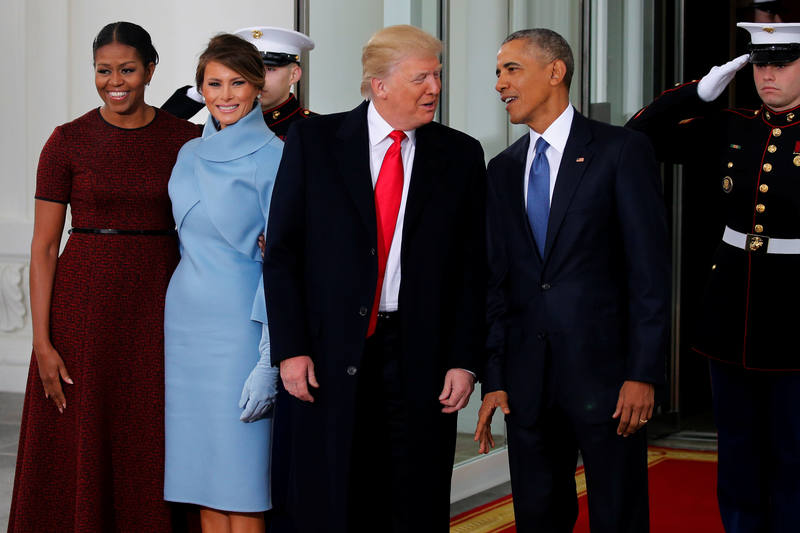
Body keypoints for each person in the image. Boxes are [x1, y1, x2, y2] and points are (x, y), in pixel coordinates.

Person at [263, 24, 486, 533]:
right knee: (334, 493)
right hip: (328, 351)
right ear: (379, 85)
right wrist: (291, 349)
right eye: (421, 77)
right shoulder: (314, 141)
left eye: (438, 75)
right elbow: (282, 254)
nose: (434, 88)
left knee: (414, 496)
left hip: (420, 355)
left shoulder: (460, 155)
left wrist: (464, 361)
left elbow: (473, 271)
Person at [7, 21, 200, 533]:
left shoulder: (188, 140)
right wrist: (42, 343)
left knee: (150, 432)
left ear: (151, 70)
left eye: (128, 69)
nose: (115, 81)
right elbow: (45, 247)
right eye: (104, 70)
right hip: (82, 312)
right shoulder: (66, 141)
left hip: (160, 304)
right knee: (79, 432)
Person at [474, 28, 670, 533]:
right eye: (498, 72)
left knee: (618, 514)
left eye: (511, 69)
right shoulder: (501, 169)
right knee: (537, 517)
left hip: (609, 384)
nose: (499, 84)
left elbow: (648, 274)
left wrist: (642, 372)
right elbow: (496, 284)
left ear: (555, 71)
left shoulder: (621, 151)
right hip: (528, 385)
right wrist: (494, 378)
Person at [626, 22, 800, 533]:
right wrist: (699, 93)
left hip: (794, 320)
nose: (768, 75)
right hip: (730, 316)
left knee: (793, 453)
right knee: (740, 452)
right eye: (761, 64)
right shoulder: (732, 125)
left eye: (782, 63)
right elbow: (638, 138)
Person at [163, 33, 282, 533]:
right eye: (214, 84)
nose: (226, 95)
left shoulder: (275, 155)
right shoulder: (187, 152)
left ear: (258, 88)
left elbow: (284, 264)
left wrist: (268, 359)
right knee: (202, 479)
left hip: (241, 329)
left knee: (242, 480)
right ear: (200, 89)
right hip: (186, 325)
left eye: (238, 83)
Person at [162, 26, 315, 140]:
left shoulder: (313, 128)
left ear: (294, 74)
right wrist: (204, 89)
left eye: (269, 69)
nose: (257, 78)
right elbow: (159, 131)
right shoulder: (221, 123)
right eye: (245, 72)